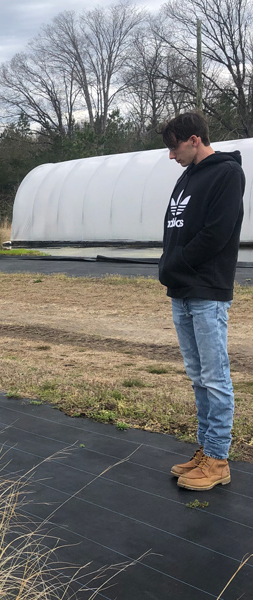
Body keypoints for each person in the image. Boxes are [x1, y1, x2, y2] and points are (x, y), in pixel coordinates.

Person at [159, 112, 245, 491]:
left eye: (174, 146)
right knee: (197, 376)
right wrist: (168, 264)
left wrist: (175, 262)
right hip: (182, 289)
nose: (171, 154)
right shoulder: (186, 177)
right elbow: (175, 227)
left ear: (194, 140)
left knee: (215, 376)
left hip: (207, 290)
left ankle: (219, 459)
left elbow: (217, 233)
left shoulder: (226, 174)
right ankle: (205, 448)